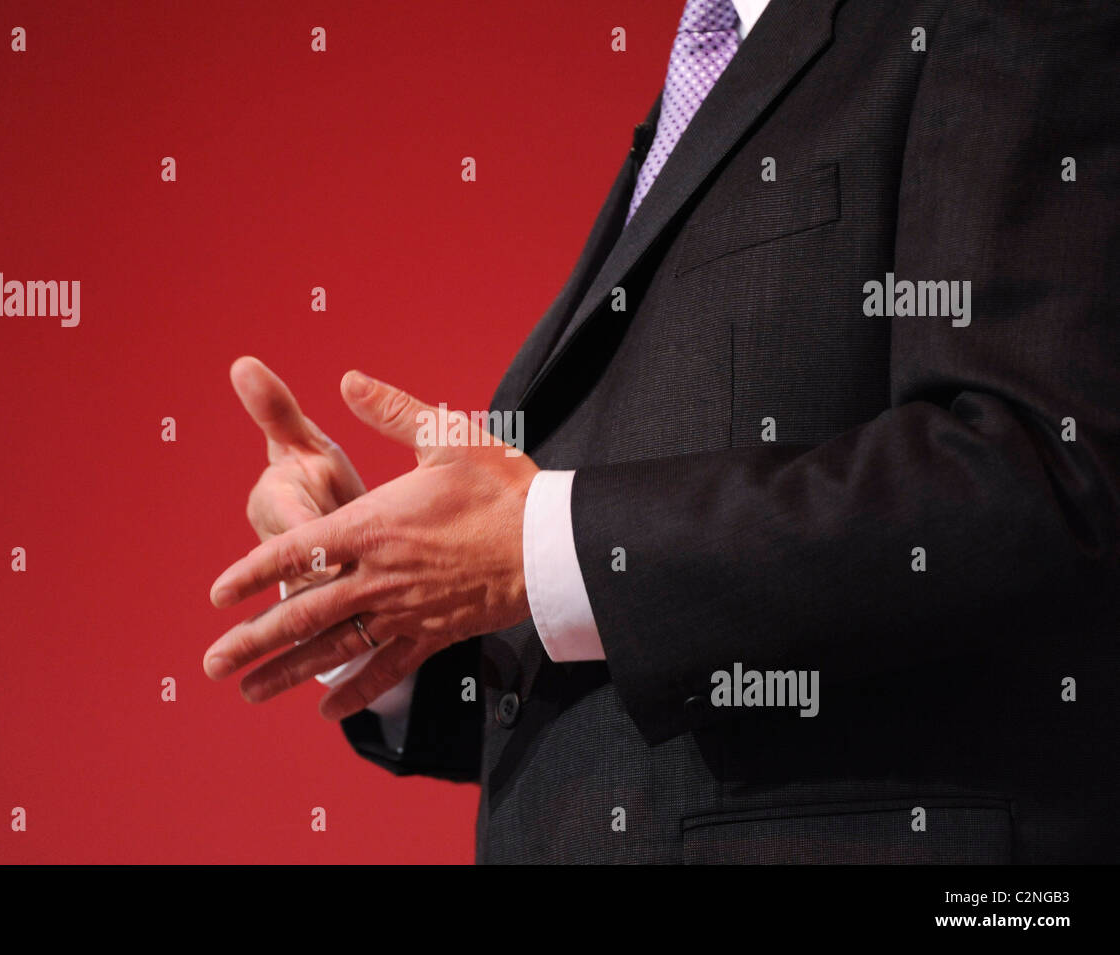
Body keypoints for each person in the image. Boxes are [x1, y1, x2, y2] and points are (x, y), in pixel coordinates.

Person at [204, 0, 1120, 863]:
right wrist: (385, 588)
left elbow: (1042, 468)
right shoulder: (709, 79)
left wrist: (536, 545)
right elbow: (616, 673)